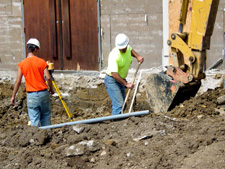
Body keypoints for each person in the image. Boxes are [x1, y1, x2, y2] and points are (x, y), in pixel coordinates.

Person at [10, 38, 54, 127]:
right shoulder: (41, 62)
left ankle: (36, 138)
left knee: (34, 118)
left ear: (28, 49)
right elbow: (48, 78)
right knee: (45, 115)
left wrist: (13, 96)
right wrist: (51, 89)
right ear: (35, 49)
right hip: (43, 93)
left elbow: (18, 82)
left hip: (31, 96)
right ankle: (48, 135)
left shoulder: (22, 64)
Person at [104, 33, 144, 115]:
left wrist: (138, 56)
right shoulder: (114, 55)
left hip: (120, 79)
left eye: (124, 47)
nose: (123, 49)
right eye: (121, 48)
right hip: (112, 80)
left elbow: (130, 50)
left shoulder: (127, 48)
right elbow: (114, 74)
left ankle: (119, 121)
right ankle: (116, 125)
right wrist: (126, 84)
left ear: (127, 44)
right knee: (118, 105)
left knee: (123, 105)